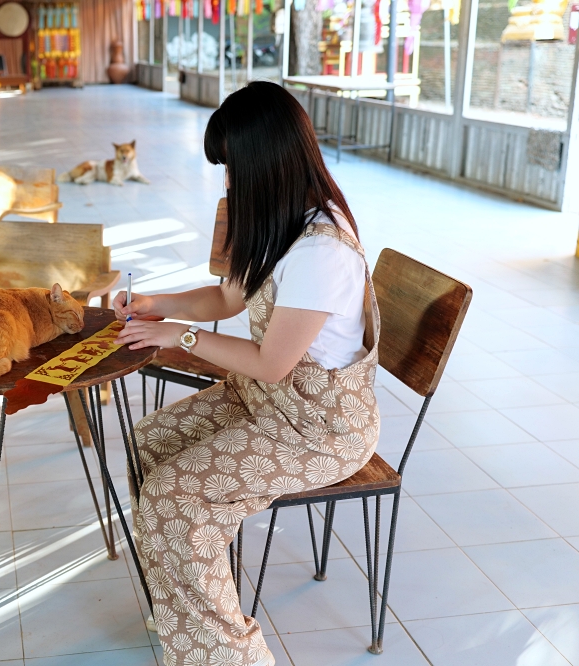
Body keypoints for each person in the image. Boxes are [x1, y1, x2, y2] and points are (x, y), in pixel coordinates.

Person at [113, 81, 381, 666]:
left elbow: (271, 361)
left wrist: (177, 336)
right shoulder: (280, 218)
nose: (228, 182)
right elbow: (228, 299)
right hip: (270, 402)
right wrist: (159, 304)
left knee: (173, 495)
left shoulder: (323, 248)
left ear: (266, 164)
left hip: (320, 428)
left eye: (232, 168)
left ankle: (227, 654)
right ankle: (186, 601)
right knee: (147, 444)